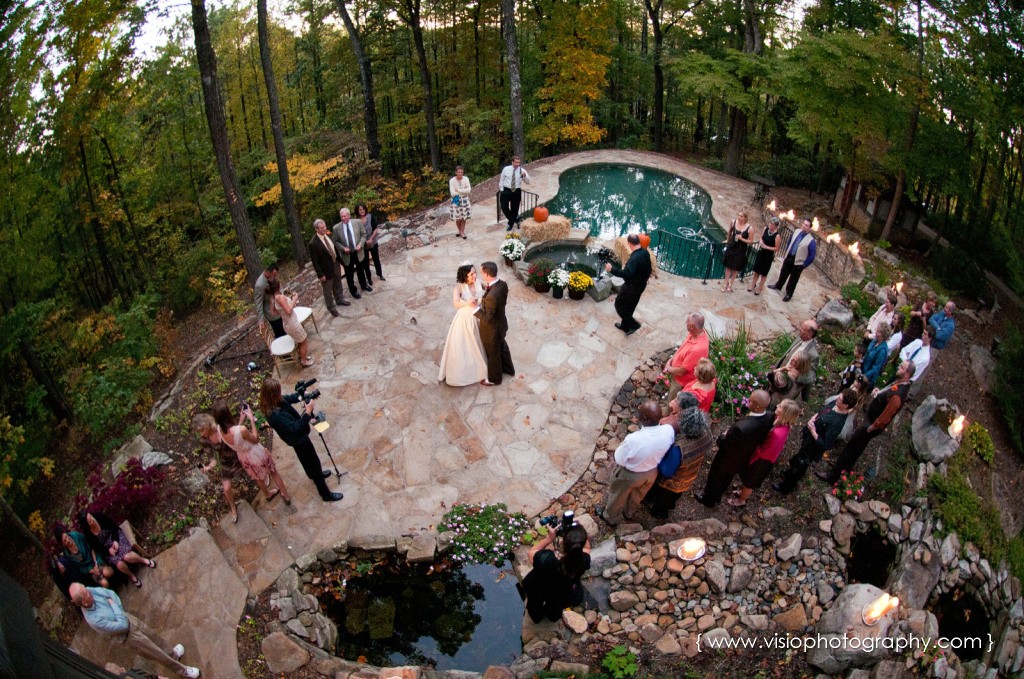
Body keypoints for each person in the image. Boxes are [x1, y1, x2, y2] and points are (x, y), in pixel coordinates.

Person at [68, 583, 201, 678]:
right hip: (129, 637)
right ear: (84, 603)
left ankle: (173, 654)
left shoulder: (90, 590)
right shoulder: (94, 620)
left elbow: (111, 594)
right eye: (86, 594)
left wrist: (117, 612)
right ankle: (183, 671)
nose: (89, 591)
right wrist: (115, 607)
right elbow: (121, 626)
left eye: (86, 589)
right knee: (156, 653)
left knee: (155, 637)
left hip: (129, 619)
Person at [817, 361, 915, 484]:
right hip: (869, 421)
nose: (898, 367)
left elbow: (886, 416)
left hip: (870, 425)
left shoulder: (898, 396)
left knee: (852, 447)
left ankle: (834, 475)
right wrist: (878, 394)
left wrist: (872, 427)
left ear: (907, 374)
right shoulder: (898, 383)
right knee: (854, 447)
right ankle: (843, 468)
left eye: (902, 367)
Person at [259, 378, 343, 502]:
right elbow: (296, 428)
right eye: (278, 391)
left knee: (305, 459)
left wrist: (302, 395)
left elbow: (290, 398)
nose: (280, 394)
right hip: (298, 439)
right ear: (273, 394)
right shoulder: (275, 416)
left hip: (296, 439)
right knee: (314, 462)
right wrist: (308, 411)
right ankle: (325, 494)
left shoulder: (273, 401)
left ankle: (313, 476)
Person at [694, 389, 774, 508]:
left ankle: (708, 500)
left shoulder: (741, 428)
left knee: (715, 477)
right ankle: (718, 495)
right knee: (727, 478)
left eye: (750, 400)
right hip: (744, 457)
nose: (747, 401)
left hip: (727, 458)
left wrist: (723, 436)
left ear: (757, 407)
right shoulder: (770, 416)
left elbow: (724, 444)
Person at [599, 401, 674, 525]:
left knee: (618, 495)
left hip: (630, 475)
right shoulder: (668, 431)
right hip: (652, 472)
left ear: (644, 419)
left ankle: (610, 517)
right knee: (638, 495)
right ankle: (629, 512)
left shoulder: (634, 439)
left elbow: (619, 459)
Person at [774, 389, 857, 494]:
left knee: (801, 465)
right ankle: (789, 472)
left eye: (840, 399)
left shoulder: (837, 423)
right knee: (798, 458)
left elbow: (826, 445)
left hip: (812, 448)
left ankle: (786, 487)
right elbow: (823, 411)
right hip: (808, 440)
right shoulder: (835, 404)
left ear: (845, 405)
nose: (837, 398)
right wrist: (814, 418)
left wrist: (813, 432)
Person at [645, 392, 714, 518]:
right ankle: (670, 505)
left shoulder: (680, 448)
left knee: (663, 500)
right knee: (674, 497)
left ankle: (659, 514)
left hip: (674, 482)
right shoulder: (707, 434)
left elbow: (666, 470)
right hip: (691, 474)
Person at [212, 400, 291, 505]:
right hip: (255, 453)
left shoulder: (219, 429)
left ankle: (267, 494)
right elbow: (255, 439)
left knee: (258, 477)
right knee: (273, 471)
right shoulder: (242, 430)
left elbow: (234, 436)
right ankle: (286, 496)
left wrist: (240, 420)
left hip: (243, 457)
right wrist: (251, 419)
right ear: (227, 414)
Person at [731, 399, 801, 506]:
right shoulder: (783, 423)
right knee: (748, 480)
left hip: (761, 461)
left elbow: (765, 451)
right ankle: (742, 493)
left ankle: (741, 500)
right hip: (762, 458)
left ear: (785, 414)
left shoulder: (777, 434)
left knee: (749, 482)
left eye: (780, 406)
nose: (777, 405)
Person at [520, 525, 591, 623]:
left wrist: (550, 538)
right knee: (555, 607)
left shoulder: (546, 559)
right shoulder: (584, 559)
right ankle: (552, 617)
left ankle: (536, 618)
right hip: (565, 592)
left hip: (541, 588)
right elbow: (587, 548)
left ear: (563, 542)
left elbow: (531, 552)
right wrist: (578, 534)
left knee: (535, 603)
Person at [439, 264, 489, 386]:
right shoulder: (459, 289)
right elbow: (456, 304)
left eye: (475, 272)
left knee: (481, 342)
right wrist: (468, 302)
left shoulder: (478, 282)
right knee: (466, 345)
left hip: (480, 316)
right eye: (471, 274)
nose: (474, 275)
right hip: (466, 319)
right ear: (464, 276)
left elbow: (489, 287)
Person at [78, 511, 155, 588]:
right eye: (90, 521)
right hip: (107, 549)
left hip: (116, 537)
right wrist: (108, 550)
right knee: (119, 564)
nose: (92, 519)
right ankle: (131, 575)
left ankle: (143, 560)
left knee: (127, 557)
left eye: (91, 516)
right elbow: (97, 548)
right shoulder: (88, 534)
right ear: (86, 525)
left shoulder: (99, 517)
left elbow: (113, 526)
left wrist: (115, 540)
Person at [194, 413, 244, 523]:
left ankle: (264, 479)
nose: (201, 434)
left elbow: (236, 433)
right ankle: (233, 507)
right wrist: (208, 467)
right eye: (199, 432)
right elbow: (213, 460)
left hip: (238, 454)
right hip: (225, 462)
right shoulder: (204, 440)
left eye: (202, 430)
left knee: (254, 470)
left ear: (208, 425)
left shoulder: (220, 426)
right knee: (226, 488)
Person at [475, 261, 515, 385]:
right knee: (502, 347)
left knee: (493, 355)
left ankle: (494, 379)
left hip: (492, 331)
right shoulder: (502, 284)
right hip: (502, 325)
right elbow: (497, 299)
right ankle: (509, 369)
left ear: (487, 274)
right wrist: (485, 287)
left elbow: (487, 318)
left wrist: (475, 308)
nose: (481, 274)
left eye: (482, 272)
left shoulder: (492, 296)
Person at [605, 234, 653, 336]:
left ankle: (634, 325)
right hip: (641, 285)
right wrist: (645, 278)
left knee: (619, 305)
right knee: (630, 307)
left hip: (632, 287)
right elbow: (649, 268)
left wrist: (611, 269)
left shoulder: (634, 258)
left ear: (629, 244)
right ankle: (625, 326)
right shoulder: (645, 252)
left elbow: (626, 274)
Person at [663, 312, 709, 403]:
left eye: (687, 321)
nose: (685, 322)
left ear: (692, 326)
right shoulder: (694, 333)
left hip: (681, 382)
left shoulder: (697, 349)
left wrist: (668, 369)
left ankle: (667, 415)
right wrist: (672, 359)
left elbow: (682, 371)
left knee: (673, 403)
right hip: (676, 374)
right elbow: (682, 347)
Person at [266, 279, 312, 367]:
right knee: (303, 340)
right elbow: (289, 310)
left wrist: (282, 311)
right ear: (277, 287)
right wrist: (294, 299)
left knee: (299, 340)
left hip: (286, 323)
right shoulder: (280, 297)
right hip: (292, 323)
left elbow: (273, 312)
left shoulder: (272, 298)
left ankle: (303, 356)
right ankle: (304, 360)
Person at [308, 219, 349, 317]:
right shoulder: (313, 243)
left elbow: (334, 249)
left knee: (338, 282)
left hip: (335, 264)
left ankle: (339, 299)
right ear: (316, 229)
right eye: (322, 228)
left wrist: (341, 262)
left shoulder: (328, 235)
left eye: (325, 227)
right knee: (327, 289)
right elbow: (315, 262)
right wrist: (320, 275)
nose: (324, 229)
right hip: (325, 270)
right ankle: (331, 307)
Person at [769, 218, 817, 302]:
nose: (804, 226)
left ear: (809, 228)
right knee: (783, 272)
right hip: (789, 257)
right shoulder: (796, 231)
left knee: (793, 280)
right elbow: (790, 241)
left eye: (806, 225)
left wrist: (804, 265)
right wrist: (787, 251)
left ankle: (789, 294)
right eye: (803, 224)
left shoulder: (811, 241)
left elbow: (812, 255)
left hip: (798, 263)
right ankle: (778, 285)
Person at [331, 207, 372, 298]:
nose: (343, 218)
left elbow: (363, 235)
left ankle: (364, 285)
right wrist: (343, 248)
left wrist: (361, 245)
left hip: (358, 251)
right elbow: (335, 241)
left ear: (349, 215)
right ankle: (353, 291)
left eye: (344, 216)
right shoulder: (336, 228)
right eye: (341, 216)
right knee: (349, 275)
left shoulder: (357, 222)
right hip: (347, 255)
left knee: (361, 270)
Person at [776, 320, 820, 398]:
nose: (800, 329)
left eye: (803, 328)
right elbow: (788, 353)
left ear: (809, 334)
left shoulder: (813, 354)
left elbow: (811, 377)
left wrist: (794, 375)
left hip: (787, 386)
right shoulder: (800, 338)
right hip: (778, 373)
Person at [721, 211, 753, 293]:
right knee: (728, 266)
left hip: (741, 249)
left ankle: (731, 284)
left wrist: (741, 238)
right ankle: (725, 283)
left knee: (736, 268)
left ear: (745, 218)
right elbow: (730, 231)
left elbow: (751, 241)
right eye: (739, 215)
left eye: (741, 216)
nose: (739, 217)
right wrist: (727, 240)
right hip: (732, 246)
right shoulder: (733, 222)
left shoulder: (749, 228)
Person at [749, 217, 780, 294]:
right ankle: (753, 284)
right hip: (761, 253)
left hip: (768, 256)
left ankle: (760, 287)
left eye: (772, 224)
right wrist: (761, 241)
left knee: (763, 273)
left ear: (775, 226)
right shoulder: (765, 229)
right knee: (756, 270)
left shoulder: (777, 236)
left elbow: (776, 248)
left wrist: (766, 247)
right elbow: (761, 237)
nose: (770, 225)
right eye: (770, 223)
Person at [355, 203, 385, 283]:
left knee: (376, 260)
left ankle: (380, 274)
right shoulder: (356, 221)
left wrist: (371, 239)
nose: (362, 211)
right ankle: (369, 278)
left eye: (363, 209)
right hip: (364, 244)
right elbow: (357, 235)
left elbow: (375, 228)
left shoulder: (370, 216)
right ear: (357, 211)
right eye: (360, 210)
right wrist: (365, 242)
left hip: (373, 242)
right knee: (366, 263)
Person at [253, 263, 286, 337]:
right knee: (280, 334)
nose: (275, 277)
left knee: (286, 329)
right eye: (274, 275)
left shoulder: (272, 277)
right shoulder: (260, 285)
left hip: (280, 308)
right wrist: (261, 319)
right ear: (268, 272)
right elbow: (258, 303)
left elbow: (279, 287)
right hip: (272, 314)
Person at [499, 156, 531, 231]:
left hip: (516, 191)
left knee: (515, 209)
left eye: (519, 162)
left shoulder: (522, 170)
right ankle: (515, 219)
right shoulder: (506, 169)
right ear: (512, 162)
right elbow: (501, 180)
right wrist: (501, 190)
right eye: (516, 162)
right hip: (506, 190)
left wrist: (524, 176)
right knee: (504, 207)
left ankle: (511, 223)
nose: (517, 164)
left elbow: (528, 182)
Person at [900, 327, 933, 398]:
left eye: (925, 334)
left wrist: (906, 362)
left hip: (905, 380)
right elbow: (903, 351)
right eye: (923, 332)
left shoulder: (925, 357)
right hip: (900, 370)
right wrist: (906, 361)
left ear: (930, 338)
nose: (922, 335)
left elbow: (911, 370)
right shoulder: (917, 342)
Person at [448, 166, 472, 239]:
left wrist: (458, 190)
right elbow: (452, 193)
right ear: (456, 172)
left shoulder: (466, 179)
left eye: (461, 172)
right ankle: (459, 231)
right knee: (458, 218)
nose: (460, 173)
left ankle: (462, 232)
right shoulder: (452, 181)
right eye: (459, 172)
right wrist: (463, 191)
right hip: (456, 201)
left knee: (464, 217)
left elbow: (469, 190)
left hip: (465, 201)